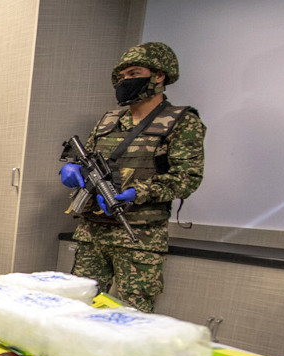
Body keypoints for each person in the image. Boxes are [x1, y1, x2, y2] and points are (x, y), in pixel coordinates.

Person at [58, 42, 206, 313]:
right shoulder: (107, 121)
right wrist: (72, 169)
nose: (126, 81)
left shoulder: (182, 121)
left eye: (134, 73)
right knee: (76, 310)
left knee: (131, 317)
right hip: (93, 232)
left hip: (139, 237)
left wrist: (138, 192)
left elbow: (187, 178)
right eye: (122, 76)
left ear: (159, 75)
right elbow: (86, 159)